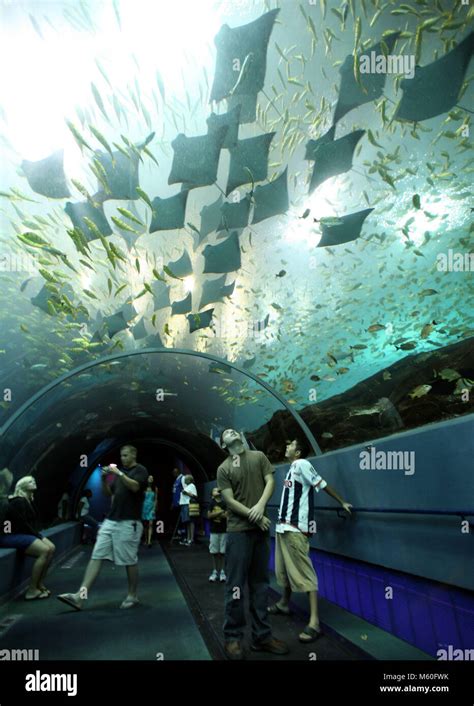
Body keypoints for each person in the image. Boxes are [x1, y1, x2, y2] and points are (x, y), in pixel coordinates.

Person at [268, 438, 352, 643]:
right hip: (283, 527)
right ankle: (284, 603)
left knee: (305, 574)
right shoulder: (291, 468)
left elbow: (321, 484)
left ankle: (314, 623)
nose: (286, 446)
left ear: (297, 453)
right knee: (284, 570)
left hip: (295, 529)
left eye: (291, 445)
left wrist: (342, 501)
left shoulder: (302, 464)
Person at [217, 429, 289, 660]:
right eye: (224, 433)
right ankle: (233, 638)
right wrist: (254, 514)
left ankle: (262, 637)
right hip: (238, 532)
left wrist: (259, 508)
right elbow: (228, 500)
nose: (229, 431)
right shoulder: (223, 468)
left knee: (260, 585)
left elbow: (270, 481)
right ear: (222, 444)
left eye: (231, 429)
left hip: (259, 531)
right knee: (235, 586)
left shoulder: (258, 457)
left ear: (239, 436)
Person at [57, 445, 148, 611]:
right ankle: (80, 596)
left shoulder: (140, 470)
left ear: (134, 455)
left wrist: (119, 473)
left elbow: (135, 487)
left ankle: (132, 595)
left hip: (129, 522)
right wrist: (103, 478)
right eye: (121, 455)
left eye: (126, 455)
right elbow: (108, 493)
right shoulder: (119, 474)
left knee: (129, 559)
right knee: (97, 554)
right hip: (111, 521)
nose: (122, 458)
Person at [0, 475, 56, 600]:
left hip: (20, 533)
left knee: (52, 547)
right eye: (30, 481)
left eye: (34, 480)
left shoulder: (28, 500)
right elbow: (23, 525)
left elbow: (29, 525)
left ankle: (39, 584)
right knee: (45, 550)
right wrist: (38, 537)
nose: (34, 481)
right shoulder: (18, 501)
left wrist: (38, 536)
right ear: (22, 486)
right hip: (9, 536)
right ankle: (32, 590)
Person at [207, 486, 227, 583]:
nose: (217, 490)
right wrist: (221, 511)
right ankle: (215, 571)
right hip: (214, 531)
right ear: (212, 494)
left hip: (223, 531)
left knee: (223, 552)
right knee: (214, 552)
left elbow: (227, 516)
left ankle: (222, 571)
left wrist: (216, 513)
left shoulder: (225, 503)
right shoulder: (211, 503)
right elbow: (209, 515)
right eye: (215, 489)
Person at [179, 474, 197, 546]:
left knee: (190, 521)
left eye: (186, 479)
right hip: (184, 505)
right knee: (187, 522)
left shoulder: (192, 486)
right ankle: (188, 538)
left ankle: (191, 539)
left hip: (188, 505)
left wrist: (186, 493)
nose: (185, 480)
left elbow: (195, 496)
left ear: (189, 480)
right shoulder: (187, 486)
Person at [141, 476, 157, 547]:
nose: (151, 479)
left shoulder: (155, 488)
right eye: (149, 478)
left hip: (151, 507)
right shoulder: (144, 488)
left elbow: (156, 500)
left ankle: (149, 541)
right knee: (145, 525)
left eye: (152, 478)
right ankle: (146, 539)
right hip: (144, 507)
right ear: (147, 479)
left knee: (150, 524)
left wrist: (154, 509)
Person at [171, 468, 184, 539]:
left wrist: (181, 500)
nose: (173, 473)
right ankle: (178, 534)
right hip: (175, 503)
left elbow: (185, 489)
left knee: (181, 520)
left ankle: (181, 535)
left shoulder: (182, 478)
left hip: (180, 503)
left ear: (178, 472)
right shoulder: (176, 480)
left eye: (174, 472)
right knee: (175, 519)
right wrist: (172, 503)